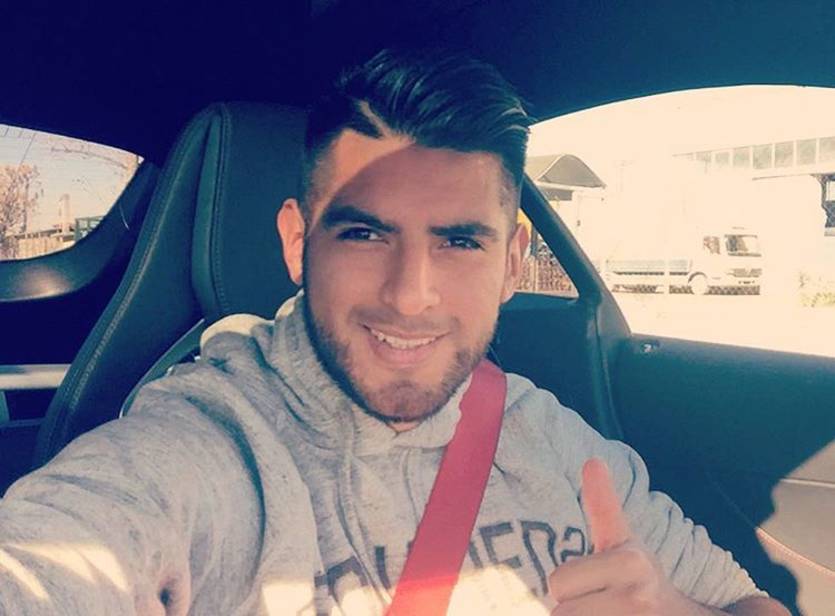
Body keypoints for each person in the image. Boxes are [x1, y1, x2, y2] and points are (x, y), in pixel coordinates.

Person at [0, 49, 787, 615]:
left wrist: (672, 609)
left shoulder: (560, 443)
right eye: (364, 234)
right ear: (297, 243)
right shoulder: (200, 453)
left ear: (512, 262)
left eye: (460, 241)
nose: (411, 297)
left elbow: (749, 603)